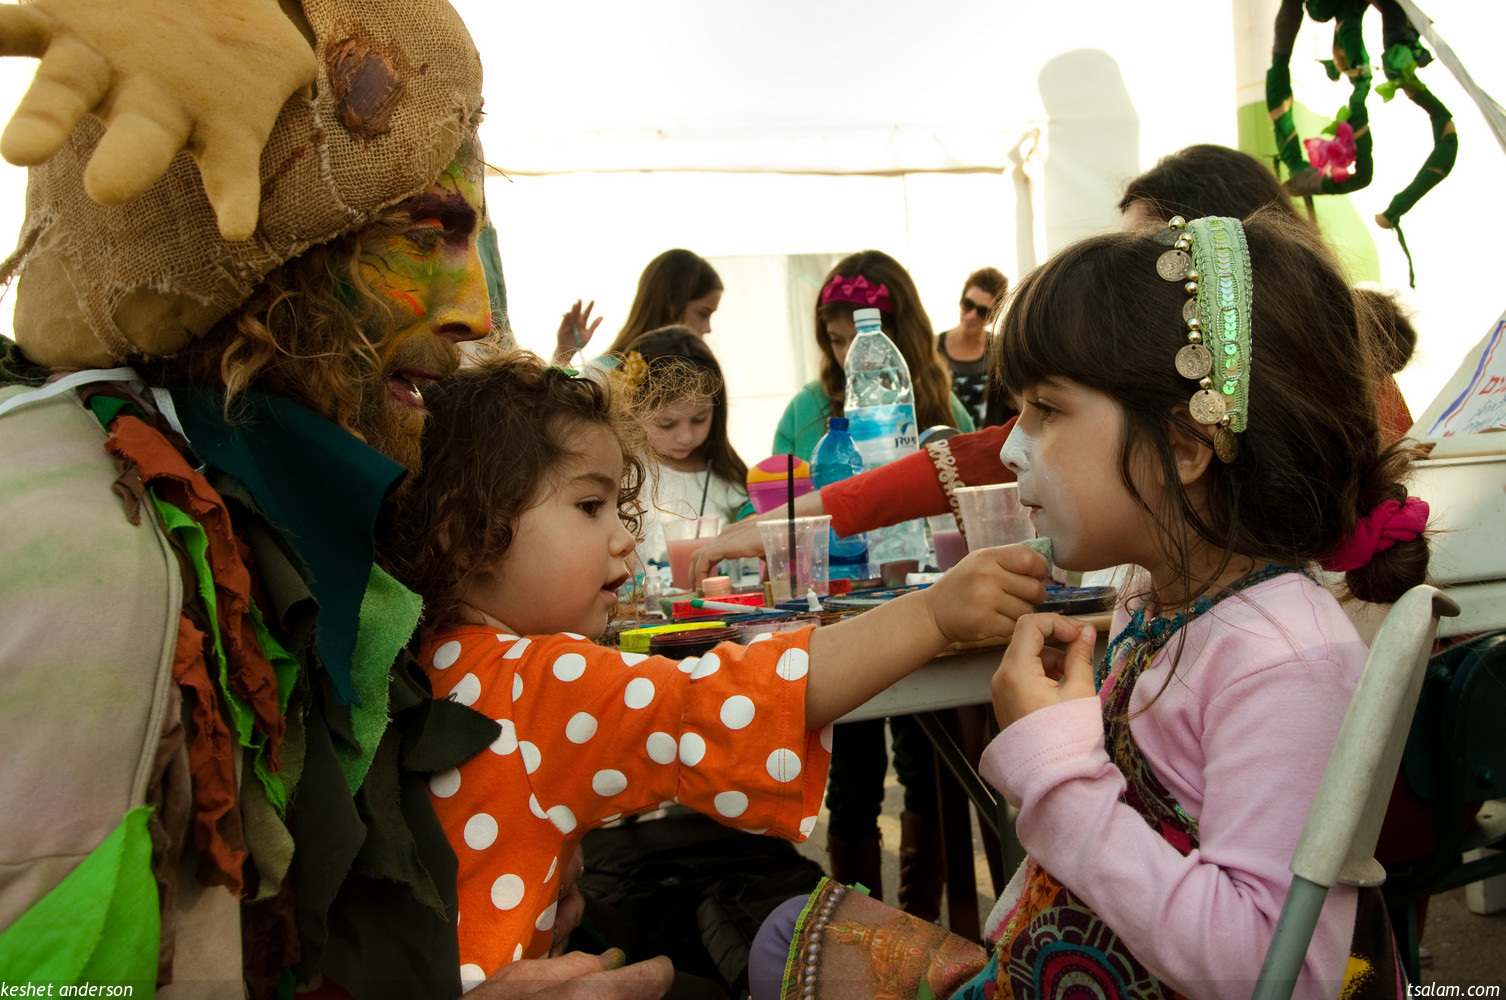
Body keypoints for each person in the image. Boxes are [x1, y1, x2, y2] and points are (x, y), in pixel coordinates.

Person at [0, 3, 667, 997]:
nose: (475, 313)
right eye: (425, 232)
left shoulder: (256, 505)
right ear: (246, 258)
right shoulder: (93, 564)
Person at [748, 210, 1428, 1000]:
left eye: (1046, 410)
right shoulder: (1155, 599)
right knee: (782, 932)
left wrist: (1058, 765)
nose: (1011, 448)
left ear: (1184, 446)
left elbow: (1280, 973)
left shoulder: (1283, 658)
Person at [374, 349, 1052, 984]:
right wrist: (934, 614)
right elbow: (749, 695)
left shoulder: (418, 655)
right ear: (466, 533)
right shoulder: (538, 681)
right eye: (588, 506)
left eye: (616, 507)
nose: (624, 537)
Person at [690, 143, 1410, 586]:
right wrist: (796, 522)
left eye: (1143, 264)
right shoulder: (1178, 598)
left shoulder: (1277, 642)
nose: (1117, 292)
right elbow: (973, 458)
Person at [773, 249, 975, 460]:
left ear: (902, 337)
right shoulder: (803, 411)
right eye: (836, 340)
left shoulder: (944, 405)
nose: (850, 356)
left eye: (863, 343)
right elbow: (779, 481)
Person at [618, 326, 752, 573]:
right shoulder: (624, 471)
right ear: (632, 410)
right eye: (666, 424)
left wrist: (752, 519)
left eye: (700, 419)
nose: (686, 436)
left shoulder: (724, 475)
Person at [558, 250, 724, 365]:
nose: (707, 328)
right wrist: (563, 354)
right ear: (670, 305)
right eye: (703, 313)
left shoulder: (699, 372)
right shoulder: (608, 373)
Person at [938, 266, 1014, 428]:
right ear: (961, 302)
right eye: (968, 304)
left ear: (993, 316)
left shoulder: (1001, 350)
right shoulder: (933, 347)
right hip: (945, 440)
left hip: (990, 440)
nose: (971, 315)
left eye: (982, 311)